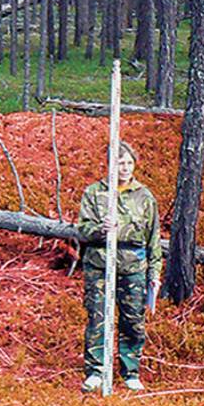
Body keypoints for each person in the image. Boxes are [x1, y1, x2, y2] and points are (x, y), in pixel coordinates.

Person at [76, 141, 162, 392]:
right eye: (119, 162)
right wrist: (100, 230)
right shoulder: (94, 193)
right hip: (99, 265)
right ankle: (95, 371)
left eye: (128, 162)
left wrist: (154, 273)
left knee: (133, 320)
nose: (124, 168)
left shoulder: (145, 197)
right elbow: (82, 230)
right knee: (98, 318)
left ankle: (130, 371)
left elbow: (153, 239)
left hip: (133, 267)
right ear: (110, 164)